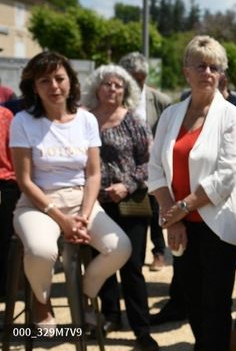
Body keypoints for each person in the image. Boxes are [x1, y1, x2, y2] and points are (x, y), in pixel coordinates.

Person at [9, 51, 131, 327]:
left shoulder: (86, 120)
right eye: (44, 81)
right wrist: (63, 219)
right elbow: (25, 181)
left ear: (71, 81)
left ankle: (83, 293)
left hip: (82, 202)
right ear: (33, 87)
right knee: (42, 251)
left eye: (59, 78)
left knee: (120, 247)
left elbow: (93, 173)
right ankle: (41, 301)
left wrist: (84, 217)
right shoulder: (23, 122)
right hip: (38, 204)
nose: (54, 86)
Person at [148, 35, 236, 351]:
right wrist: (173, 216)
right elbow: (155, 169)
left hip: (217, 226)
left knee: (215, 304)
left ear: (222, 74)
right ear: (186, 72)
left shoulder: (232, 115)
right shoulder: (170, 115)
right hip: (181, 226)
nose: (208, 72)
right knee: (190, 298)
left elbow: (227, 176)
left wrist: (181, 207)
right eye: (201, 65)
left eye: (214, 66)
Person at [81, 64, 158, 350]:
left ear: (126, 91)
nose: (113, 89)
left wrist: (126, 185)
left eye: (118, 85)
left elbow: (149, 162)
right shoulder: (84, 120)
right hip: (95, 204)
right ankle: (110, 315)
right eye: (107, 84)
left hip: (130, 202)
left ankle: (142, 329)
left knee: (132, 266)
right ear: (96, 88)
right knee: (103, 261)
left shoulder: (133, 121)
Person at [119, 52, 171, 273]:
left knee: (157, 210)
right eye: (133, 78)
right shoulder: (116, 98)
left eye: (141, 78)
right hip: (126, 171)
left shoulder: (159, 100)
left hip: (155, 168)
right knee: (134, 217)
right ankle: (131, 260)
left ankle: (159, 252)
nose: (138, 83)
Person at [0, 106, 19, 298]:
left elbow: (13, 153)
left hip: (5, 184)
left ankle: (4, 289)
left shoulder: (5, 115)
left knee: (4, 240)